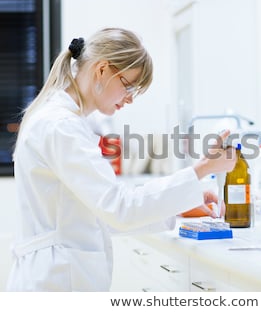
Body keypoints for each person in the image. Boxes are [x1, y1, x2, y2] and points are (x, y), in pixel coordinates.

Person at [7, 27, 236, 291]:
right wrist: (201, 169)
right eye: (128, 86)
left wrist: (179, 205)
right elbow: (119, 208)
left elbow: (98, 215)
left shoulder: (62, 121)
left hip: (56, 275)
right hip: (55, 281)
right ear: (102, 70)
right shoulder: (61, 126)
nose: (129, 99)